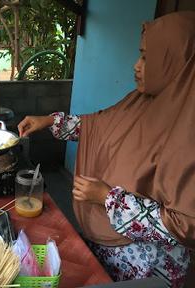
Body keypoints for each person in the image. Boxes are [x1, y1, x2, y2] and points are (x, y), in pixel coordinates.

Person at [17, 11, 195, 288]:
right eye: (140, 54)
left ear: (175, 63)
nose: (136, 66)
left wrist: (107, 198)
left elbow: (184, 224)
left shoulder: (189, 130)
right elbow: (97, 126)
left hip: (146, 266)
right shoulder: (140, 102)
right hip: (105, 245)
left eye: (147, 57)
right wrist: (50, 121)